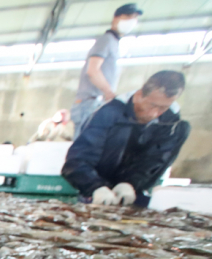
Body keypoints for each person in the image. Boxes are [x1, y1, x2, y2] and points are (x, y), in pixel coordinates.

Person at [62, 71, 190, 208]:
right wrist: (95, 187)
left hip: (134, 193)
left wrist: (130, 184)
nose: (155, 113)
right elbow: (77, 160)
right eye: (152, 105)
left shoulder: (173, 125)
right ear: (140, 94)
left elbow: (155, 161)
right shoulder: (108, 113)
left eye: (164, 108)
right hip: (97, 193)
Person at [70, 4, 142, 140]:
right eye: (128, 17)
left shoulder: (114, 43)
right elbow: (92, 70)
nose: (131, 21)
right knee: (84, 149)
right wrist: (109, 93)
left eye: (134, 19)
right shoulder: (106, 40)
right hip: (89, 103)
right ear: (116, 18)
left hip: (95, 103)